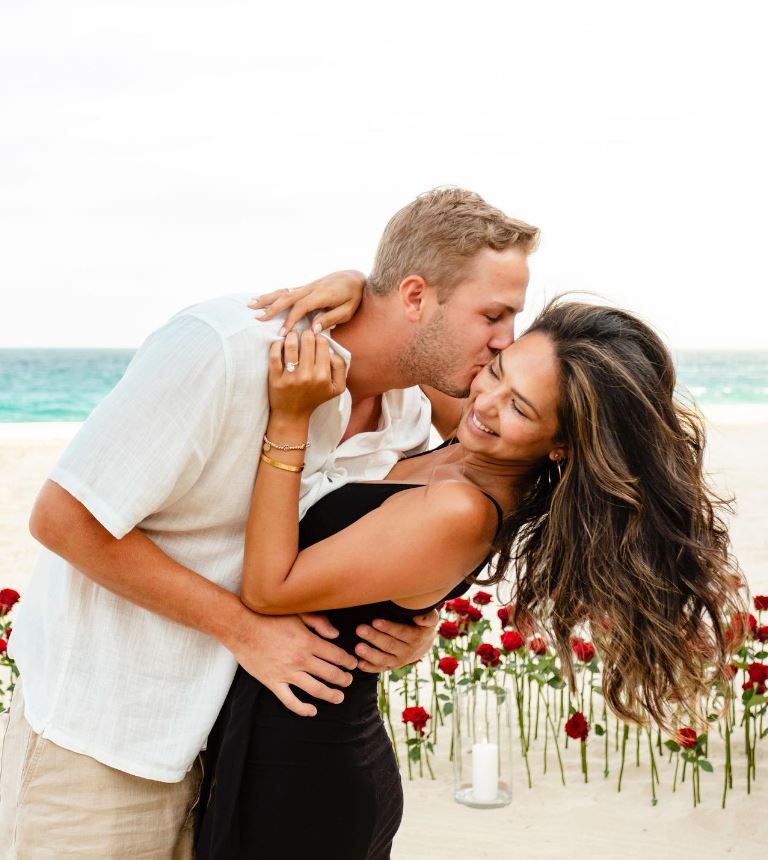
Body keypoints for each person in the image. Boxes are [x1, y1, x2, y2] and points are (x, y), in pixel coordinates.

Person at [0, 187, 539, 857]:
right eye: (494, 314)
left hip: (233, 753)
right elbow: (63, 519)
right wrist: (244, 629)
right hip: (107, 744)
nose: (505, 340)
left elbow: (457, 495)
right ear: (414, 297)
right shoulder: (224, 351)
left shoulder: (406, 411)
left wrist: (415, 620)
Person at [196, 297, 743, 859]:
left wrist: (287, 419)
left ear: (560, 446)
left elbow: (267, 589)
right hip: (290, 740)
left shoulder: (464, 511)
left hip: (305, 778)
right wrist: (363, 288)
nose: (485, 401)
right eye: (498, 372)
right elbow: (408, 356)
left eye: (520, 409)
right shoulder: (471, 440)